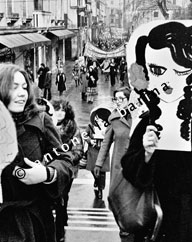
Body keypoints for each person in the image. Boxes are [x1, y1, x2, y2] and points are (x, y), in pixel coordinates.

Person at [121, 21, 192, 242]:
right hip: (160, 224)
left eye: (179, 71)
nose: (168, 83)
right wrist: (146, 153)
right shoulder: (149, 120)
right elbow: (130, 171)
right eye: (158, 71)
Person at [0, 63, 73, 242]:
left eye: (25, 87)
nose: (22, 93)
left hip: (33, 222)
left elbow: (65, 161)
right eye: (14, 87)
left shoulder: (40, 120)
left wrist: (47, 174)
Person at [94, 86, 132, 242]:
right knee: (120, 196)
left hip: (137, 163)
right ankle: (124, 225)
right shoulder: (114, 118)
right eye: (116, 99)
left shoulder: (140, 116)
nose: (118, 102)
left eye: (121, 99)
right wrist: (98, 163)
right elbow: (106, 143)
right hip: (120, 164)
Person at [51, 98, 84, 242]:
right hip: (49, 170)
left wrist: (65, 160)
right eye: (56, 109)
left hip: (66, 170)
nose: (59, 113)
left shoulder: (73, 129)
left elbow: (78, 151)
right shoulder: (46, 126)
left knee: (61, 198)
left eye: (62, 110)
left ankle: (59, 232)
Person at [85, 106, 111, 199]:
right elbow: (85, 135)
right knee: (93, 170)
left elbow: (114, 137)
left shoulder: (108, 126)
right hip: (93, 151)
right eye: (96, 117)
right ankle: (96, 179)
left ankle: (100, 189)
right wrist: (90, 141)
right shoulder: (91, 126)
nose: (98, 119)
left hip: (103, 151)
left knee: (102, 172)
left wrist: (106, 138)